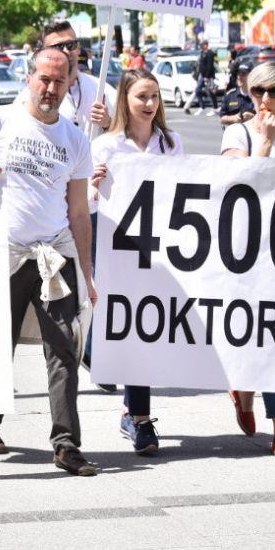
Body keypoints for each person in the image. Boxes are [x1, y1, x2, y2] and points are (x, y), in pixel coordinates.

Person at [0, 48, 99, 476]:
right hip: (5, 255)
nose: (50, 89)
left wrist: (86, 275)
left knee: (64, 348)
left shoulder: (75, 138)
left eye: (59, 81)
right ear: (28, 78)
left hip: (54, 256)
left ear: (72, 83)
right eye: (43, 79)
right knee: (0, 343)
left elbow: (80, 213)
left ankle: (66, 444)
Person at [90, 69, 184, 454]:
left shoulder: (171, 142)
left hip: (163, 249)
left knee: (149, 327)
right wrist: (92, 185)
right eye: (142, 96)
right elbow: (86, 206)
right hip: (118, 249)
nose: (150, 104)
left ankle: (133, 410)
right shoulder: (107, 146)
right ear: (124, 101)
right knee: (131, 324)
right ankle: (141, 418)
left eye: (155, 97)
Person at [220, 61, 275, 455]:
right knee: (264, 337)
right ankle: (242, 385)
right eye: (256, 92)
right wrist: (263, 144)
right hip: (249, 250)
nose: (263, 100)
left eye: (273, 92)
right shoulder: (237, 132)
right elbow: (233, 185)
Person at [28, 21, 115, 133]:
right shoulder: (31, 94)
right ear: (44, 52)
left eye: (71, 45)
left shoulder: (102, 90)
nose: (66, 51)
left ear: (78, 49)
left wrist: (107, 123)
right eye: (58, 47)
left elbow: (125, 136)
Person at [188, 40, 218, 116]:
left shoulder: (210, 53)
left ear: (206, 45)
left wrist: (207, 76)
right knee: (198, 90)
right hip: (201, 75)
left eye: (202, 45)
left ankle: (215, 108)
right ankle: (202, 106)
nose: (201, 46)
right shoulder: (202, 53)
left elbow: (210, 66)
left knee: (211, 92)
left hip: (208, 76)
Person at [219, 62, 254, 128]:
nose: (239, 77)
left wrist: (253, 117)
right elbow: (222, 118)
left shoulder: (258, 95)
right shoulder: (230, 95)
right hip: (234, 135)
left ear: (251, 76)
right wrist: (235, 118)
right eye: (238, 73)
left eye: (243, 74)